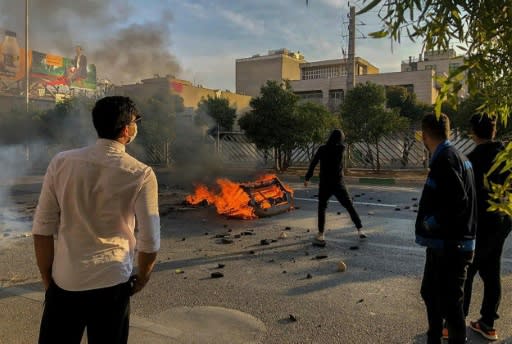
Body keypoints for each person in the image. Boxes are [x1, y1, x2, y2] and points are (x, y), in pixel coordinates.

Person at [32, 96, 160, 344]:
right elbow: (150, 241)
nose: (136, 126)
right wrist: (142, 277)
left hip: (65, 282)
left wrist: (49, 281)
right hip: (113, 284)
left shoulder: (61, 162)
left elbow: (42, 229)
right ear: (126, 129)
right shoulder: (141, 174)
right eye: (136, 121)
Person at [415, 113, 477, 344]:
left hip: (450, 245)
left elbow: (458, 200)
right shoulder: (456, 155)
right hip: (447, 244)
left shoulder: (445, 159)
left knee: (450, 305)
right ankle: (434, 337)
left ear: (425, 134)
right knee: (431, 294)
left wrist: (432, 222)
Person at [462, 114, 511, 341]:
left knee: (467, 272)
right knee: (491, 271)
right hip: (502, 222)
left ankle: (452, 323)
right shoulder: (506, 157)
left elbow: (465, 199)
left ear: (473, 132)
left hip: (480, 225)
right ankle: (488, 323)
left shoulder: (471, 161)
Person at [304, 129, 364, 245]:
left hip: (325, 183)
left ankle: (321, 234)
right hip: (338, 184)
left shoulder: (322, 149)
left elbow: (313, 163)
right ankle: (360, 230)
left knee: (322, 208)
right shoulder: (341, 149)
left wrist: (307, 177)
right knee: (349, 206)